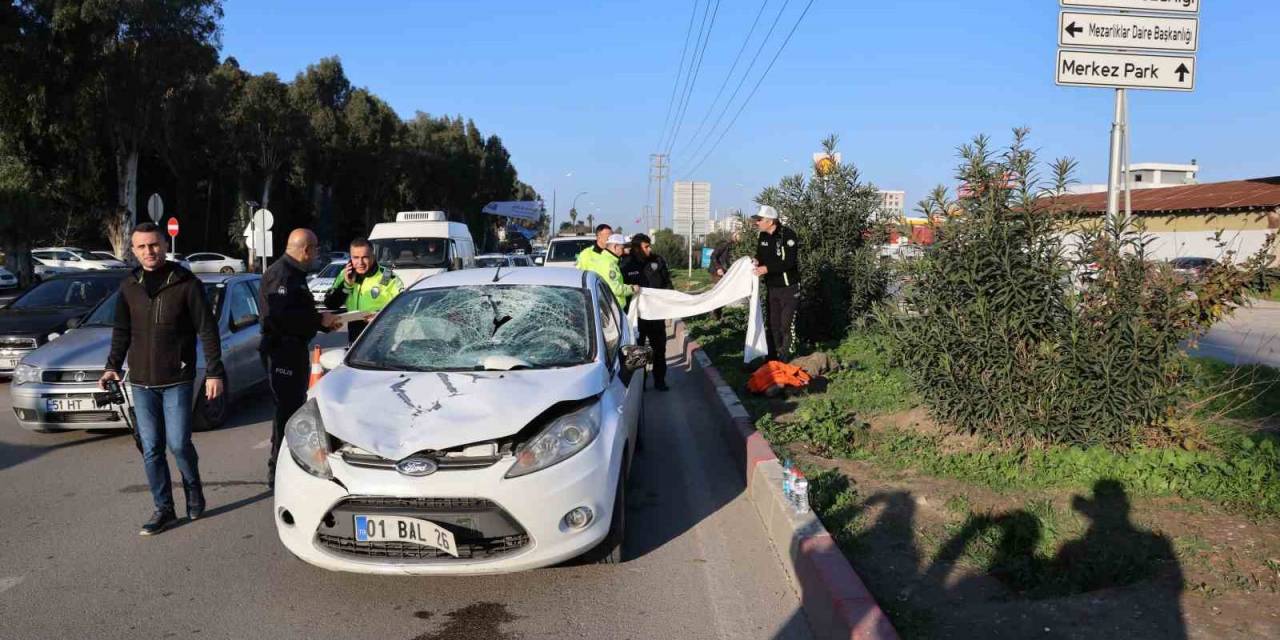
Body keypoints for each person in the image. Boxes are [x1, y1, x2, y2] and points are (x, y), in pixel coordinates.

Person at [100, 222, 225, 535]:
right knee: (152, 448)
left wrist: (214, 371)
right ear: (133, 250)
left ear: (164, 245)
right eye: (141, 247)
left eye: (153, 245)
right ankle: (164, 509)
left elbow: (207, 330)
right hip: (141, 382)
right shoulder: (129, 284)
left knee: (179, 444)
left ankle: (193, 489)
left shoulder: (185, 282)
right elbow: (122, 331)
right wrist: (112, 364)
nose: (149, 252)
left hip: (177, 379)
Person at [259, 229, 343, 488]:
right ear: (305, 249)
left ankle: (289, 466)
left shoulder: (294, 274)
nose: (317, 254)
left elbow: (298, 312)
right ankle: (279, 471)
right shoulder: (282, 275)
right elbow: (282, 318)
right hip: (282, 352)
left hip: (293, 350)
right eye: (315, 249)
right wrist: (319, 320)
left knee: (292, 408)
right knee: (287, 412)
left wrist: (323, 322)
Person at [323, 238, 403, 344]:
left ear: (373, 256)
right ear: (350, 257)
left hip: (380, 331)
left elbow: (402, 307)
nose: (360, 262)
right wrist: (347, 284)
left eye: (365, 257)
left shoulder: (386, 276)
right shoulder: (345, 274)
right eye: (355, 258)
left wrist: (380, 316)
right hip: (354, 332)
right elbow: (331, 304)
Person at [621, 233, 673, 391]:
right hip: (637, 317)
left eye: (649, 246)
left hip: (656, 314)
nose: (649, 249)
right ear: (637, 248)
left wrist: (669, 306)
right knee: (637, 351)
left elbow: (667, 284)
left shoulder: (657, 261)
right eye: (646, 246)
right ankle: (639, 384)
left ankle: (659, 381)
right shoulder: (626, 264)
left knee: (659, 349)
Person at [752, 205, 800, 362]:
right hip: (772, 288)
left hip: (789, 287)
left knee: (785, 325)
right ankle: (771, 359)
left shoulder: (788, 236)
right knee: (773, 324)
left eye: (759, 220)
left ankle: (786, 357)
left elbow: (788, 262)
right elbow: (760, 255)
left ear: (770, 221)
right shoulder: (763, 236)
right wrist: (756, 261)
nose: (757, 222)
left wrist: (766, 268)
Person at [578, 232, 630, 307]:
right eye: (622, 248)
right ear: (615, 247)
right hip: (612, 307)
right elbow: (615, 289)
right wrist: (632, 289)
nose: (624, 251)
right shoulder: (610, 263)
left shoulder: (602, 258)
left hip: (605, 305)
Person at [708, 231, 739, 320]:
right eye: (739, 235)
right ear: (734, 236)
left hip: (726, 273)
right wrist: (718, 268)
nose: (741, 237)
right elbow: (713, 256)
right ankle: (714, 314)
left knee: (723, 293)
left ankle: (717, 314)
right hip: (717, 272)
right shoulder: (725, 245)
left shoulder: (736, 247)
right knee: (719, 292)